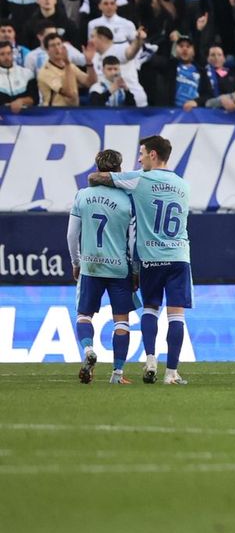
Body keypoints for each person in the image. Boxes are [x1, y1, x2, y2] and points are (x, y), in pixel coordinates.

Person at [88, 134, 192, 386]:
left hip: (150, 258)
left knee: (150, 308)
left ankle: (151, 359)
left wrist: (111, 180)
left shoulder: (139, 178)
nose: (139, 158)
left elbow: (95, 177)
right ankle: (172, 373)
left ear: (153, 155)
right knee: (176, 315)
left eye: (142, 153)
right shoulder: (182, 184)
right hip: (179, 256)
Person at [68, 149, 135, 384]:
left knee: (84, 315)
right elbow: (133, 239)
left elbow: (71, 235)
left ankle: (88, 351)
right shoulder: (127, 199)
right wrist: (135, 270)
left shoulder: (82, 195)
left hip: (90, 266)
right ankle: (117, 374)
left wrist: (76, 262)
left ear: (97, 168)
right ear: (118, 169)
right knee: (121, 320)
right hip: (118, 267)